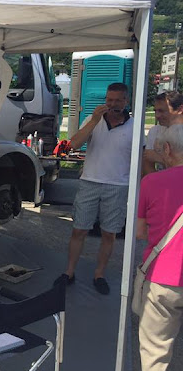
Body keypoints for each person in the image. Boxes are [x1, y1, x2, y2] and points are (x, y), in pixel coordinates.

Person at [55, 83, 133, 295]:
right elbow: (73, 144)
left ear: (126, 101)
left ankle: (99, 275)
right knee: (79, 229)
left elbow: (141, 156)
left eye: (117, 100)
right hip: (90, 181)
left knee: (109, 234)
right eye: (109, 100)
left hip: (118, 185)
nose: (112, 104)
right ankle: (69, 272)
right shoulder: (93, 119)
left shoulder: (134, 125)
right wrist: (94, 121)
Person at [137, 124, 183, 371]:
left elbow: (140, 232)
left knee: (155, 357)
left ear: (166, 149)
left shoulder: (152, 182)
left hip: (162, 279)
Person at [143, 90, 183, 176]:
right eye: (155, 111)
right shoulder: (154, 131)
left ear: (180, 109)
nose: (157, 116)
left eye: (162, 111)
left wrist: (159, 158)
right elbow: (147, 163)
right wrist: (158, 182)